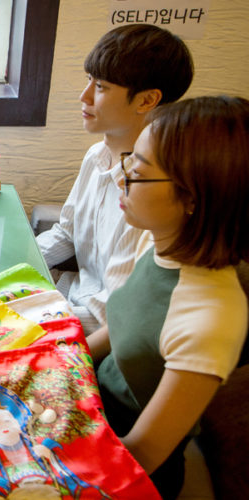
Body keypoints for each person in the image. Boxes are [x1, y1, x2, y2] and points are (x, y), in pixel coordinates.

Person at [89, 96, 249, 499]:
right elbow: (120, 327)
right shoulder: (160, 241)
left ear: (193, 199)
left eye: (138, 173)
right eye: (129, 160)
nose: (122, 177)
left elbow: (141, 453)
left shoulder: (209, 319)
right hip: (92, 400)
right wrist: (57, 358)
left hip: (125, 455)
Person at [36, 24, 194, 335]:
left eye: (101, 87)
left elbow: (111, 317)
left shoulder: (151, 196)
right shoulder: (96, 155)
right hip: (68, 296)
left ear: (146, 101)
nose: (84, 96)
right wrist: (10, 267)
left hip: (90, 327)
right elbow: (66, 233)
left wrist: (27, 318)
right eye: (88, 81)